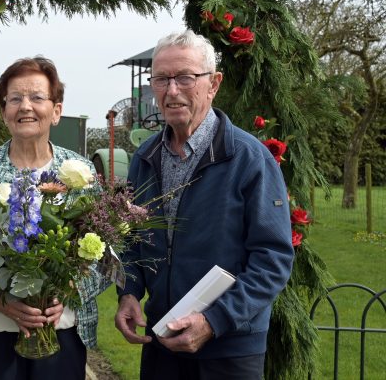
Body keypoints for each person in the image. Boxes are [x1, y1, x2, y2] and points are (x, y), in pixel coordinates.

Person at [114, 29, 294, 380]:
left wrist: (214, 320)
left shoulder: (249, 159)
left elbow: (273, 259)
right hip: (162, 342)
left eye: (185, 77)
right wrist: (129, 292)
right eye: (162, 79)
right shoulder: (145, 157)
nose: (172, 90)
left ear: (214, 84)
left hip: (230, 349)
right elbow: (130, 239)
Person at [0, 56, 107, 380]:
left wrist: (70, 290)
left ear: (56, 111)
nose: (25, 106)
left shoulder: (81, 172)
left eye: (37, 97)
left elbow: (105, 254)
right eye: (14, 99)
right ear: (4, 113)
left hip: (61, 330)